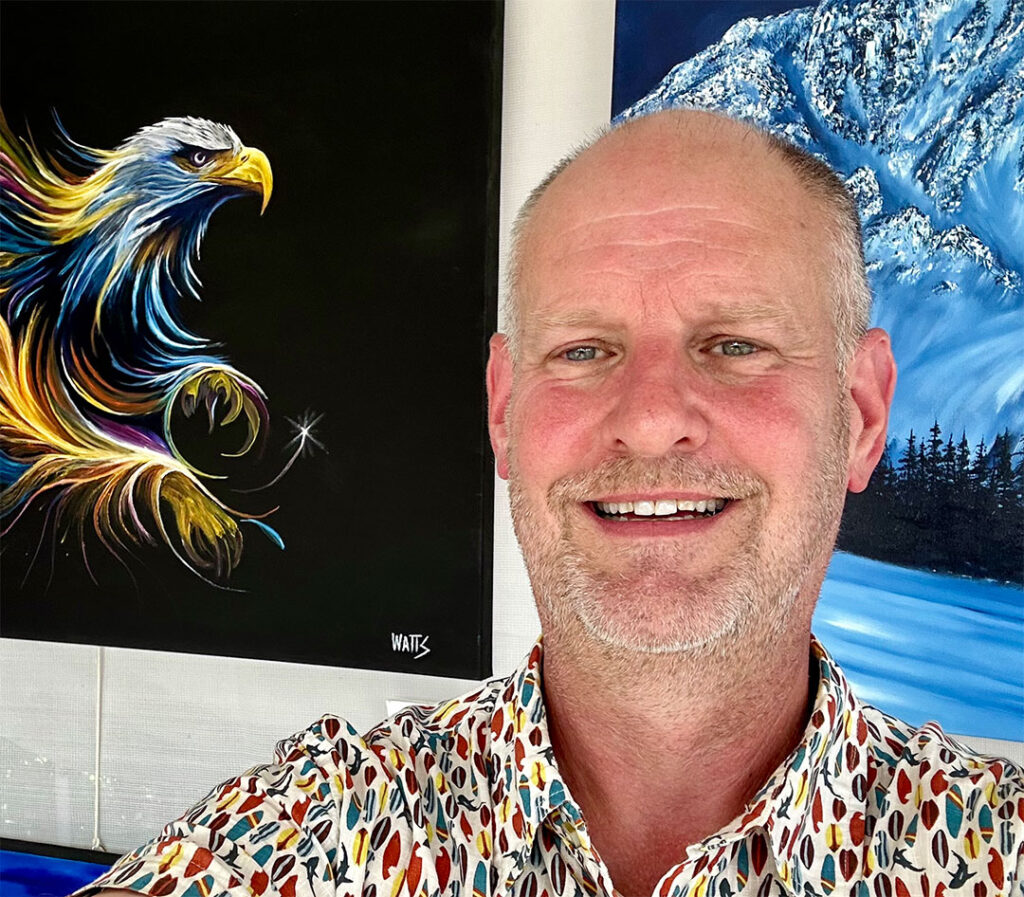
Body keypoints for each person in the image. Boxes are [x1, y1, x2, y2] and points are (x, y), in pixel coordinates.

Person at [85, 109, 1021, 897]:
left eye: (735, 345)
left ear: (859, 413)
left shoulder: (992, 857)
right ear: (503, 411)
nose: (651, 420)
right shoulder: (313, 837)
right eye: (583, 350)